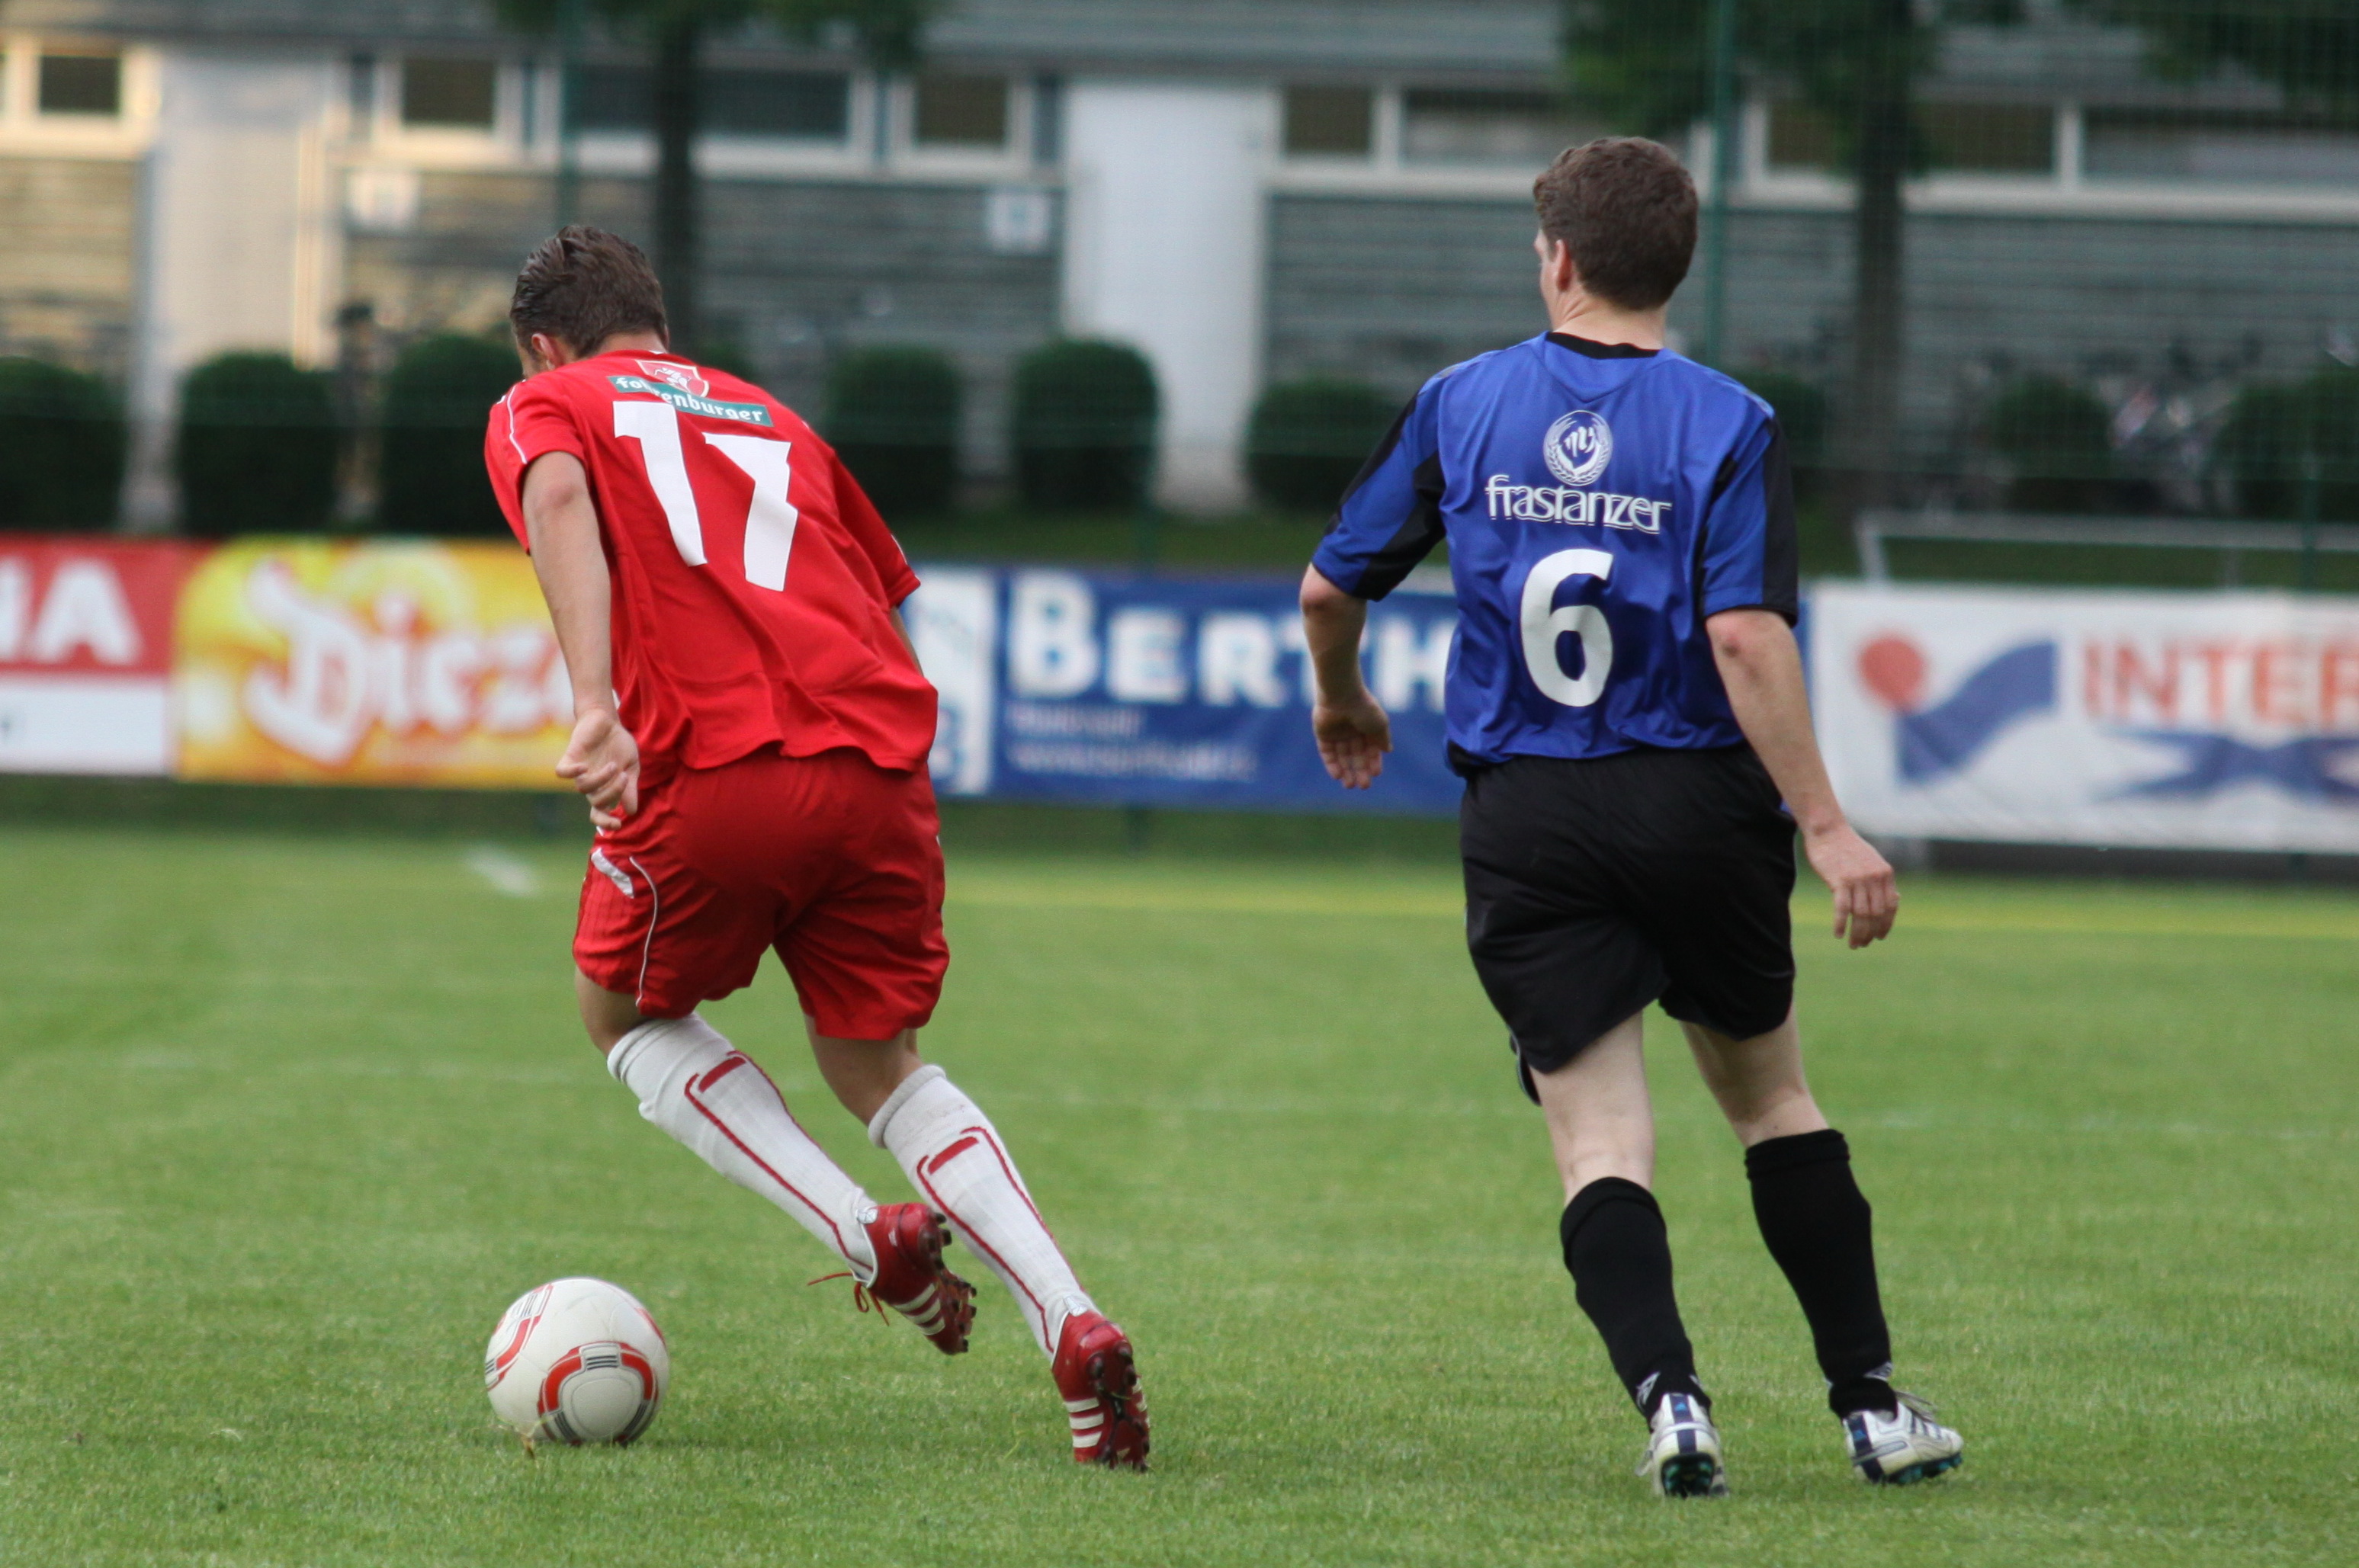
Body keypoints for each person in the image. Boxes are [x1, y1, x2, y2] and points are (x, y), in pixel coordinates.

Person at [1296, 139, 1961, 1497]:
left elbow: (1326, 588)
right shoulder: (1730, 421)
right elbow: (1743, 635)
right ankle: (1870, 1405)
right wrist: (1825, 824)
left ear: (1557, 258)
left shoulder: (1459, 402)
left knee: (1599, 1142)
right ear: (1678, 266)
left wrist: (1343, 696)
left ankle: (1673, 1404)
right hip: (1698, 806)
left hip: (1529, 811)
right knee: (1769, 1099)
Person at [483, 226, 1147, 1469]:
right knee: (876, 1061)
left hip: (719, 764)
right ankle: (1071, 1317)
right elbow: (882, 592)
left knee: (620, 1014)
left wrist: (597, 703)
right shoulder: (775, 418)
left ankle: (860, 1230)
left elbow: (560, 495)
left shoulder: (545, 402)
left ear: (542, 344)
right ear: (658, 323)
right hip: (878, 765)